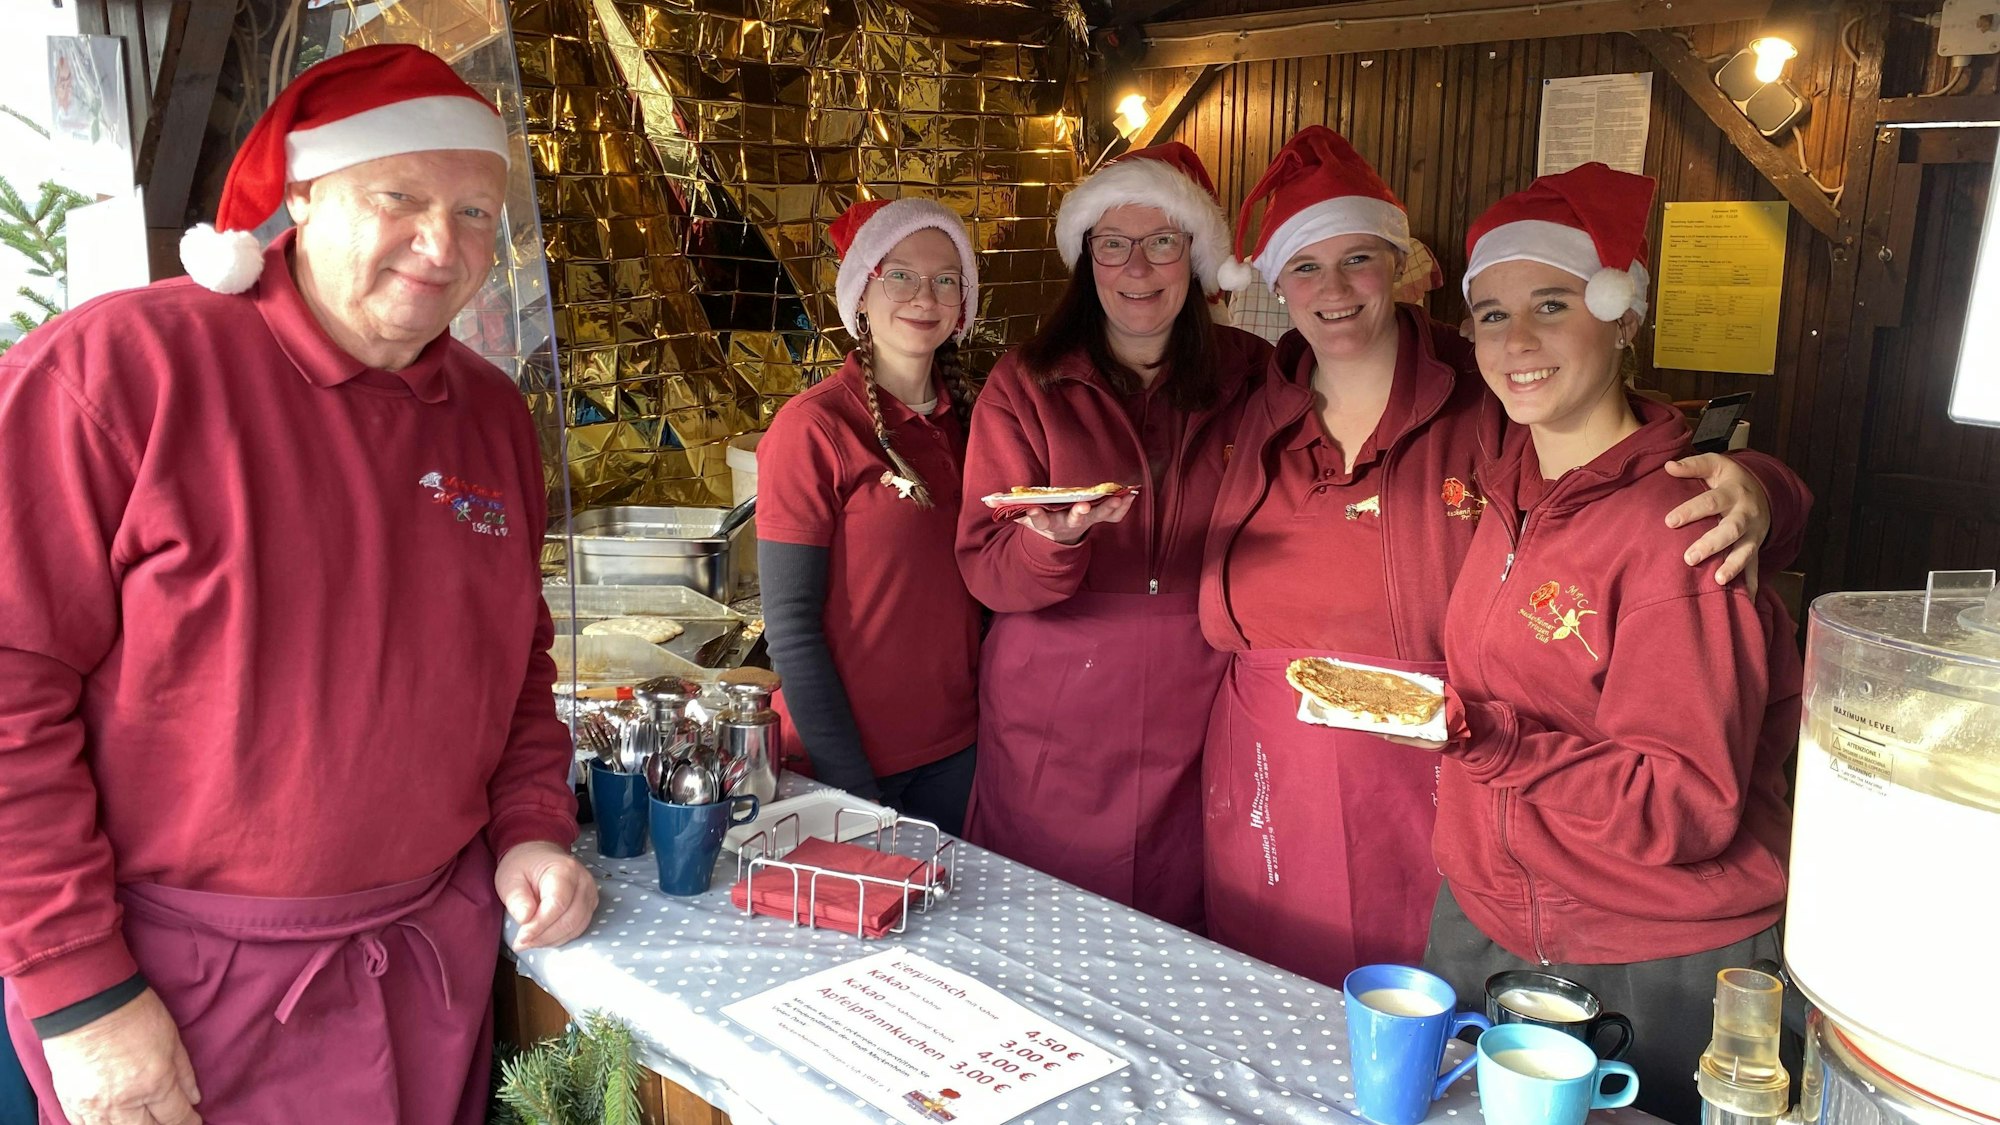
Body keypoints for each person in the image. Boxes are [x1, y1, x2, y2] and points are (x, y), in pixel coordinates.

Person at [0, 45, 595, 1125]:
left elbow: (515, 662)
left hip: (424, 965)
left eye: (474, 213)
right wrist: (81, 993)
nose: (441, 242)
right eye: (399, 197)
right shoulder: (117, 372)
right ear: (306, 197)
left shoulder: (491, 415)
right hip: (180, 985)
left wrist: (532, 825)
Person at [1198, 128, 1806, 988]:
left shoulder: (1478, 403)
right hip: (1337, 788)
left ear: (1401, 268)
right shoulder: (1254, 400)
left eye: (1359, 258)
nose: (1332, 289)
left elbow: (1650, 471)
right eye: (1304, 266)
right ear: (1275, 285)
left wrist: (1762, 490)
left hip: (1476, 802)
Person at [1416, 163, 1800, 1124]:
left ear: (1625, 317)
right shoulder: (1507, 490)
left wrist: (1490, 743)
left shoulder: (1681, 527)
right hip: (1496, 923)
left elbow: (1687, 806)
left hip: (1656, 955)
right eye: (1493, 314)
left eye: (1553, 303)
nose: (1519, 341)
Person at [954, 142, 1265, 930]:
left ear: (1195, 256)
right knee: (1041, 923)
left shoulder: (1256, 375)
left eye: (1162, 241)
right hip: (1057, 694)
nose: (1137, 267)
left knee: (1181, 921)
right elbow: (986, 570)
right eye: (1112, 244)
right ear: (1085, 259)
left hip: (1202, 693)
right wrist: (1052, 545)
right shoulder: (1025, 382)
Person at [759, 196, 984, 834]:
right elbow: (791, 627)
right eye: (901, 275)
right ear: (861, 292)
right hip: (843, 763)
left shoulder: (976, 424)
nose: (925, 295)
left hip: (959, 754)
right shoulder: (815, 427)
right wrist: (850, 791)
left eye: (946, 279)